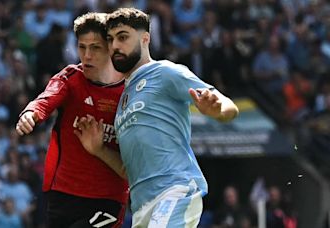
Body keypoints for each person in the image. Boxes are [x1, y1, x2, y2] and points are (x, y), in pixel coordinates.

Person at [76, 8, 239, 227]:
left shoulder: (164, 72)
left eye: (123, 37)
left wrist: (216, 110)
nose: (115, 45)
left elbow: (229, 106)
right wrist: (99, 150)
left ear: (145, 39)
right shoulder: (124, 98)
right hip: (142, 206)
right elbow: (128, 170)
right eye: (110, 39)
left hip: (174, 191)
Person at [15, 13, 128, 228]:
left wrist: (100, 148)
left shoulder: (131, 93)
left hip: (108, 199)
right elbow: (46, 99)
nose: (87, 55)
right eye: (82, 47)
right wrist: (30, 114)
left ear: (111, 48)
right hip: (62, 194)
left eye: (95, 47)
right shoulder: (70, 79)